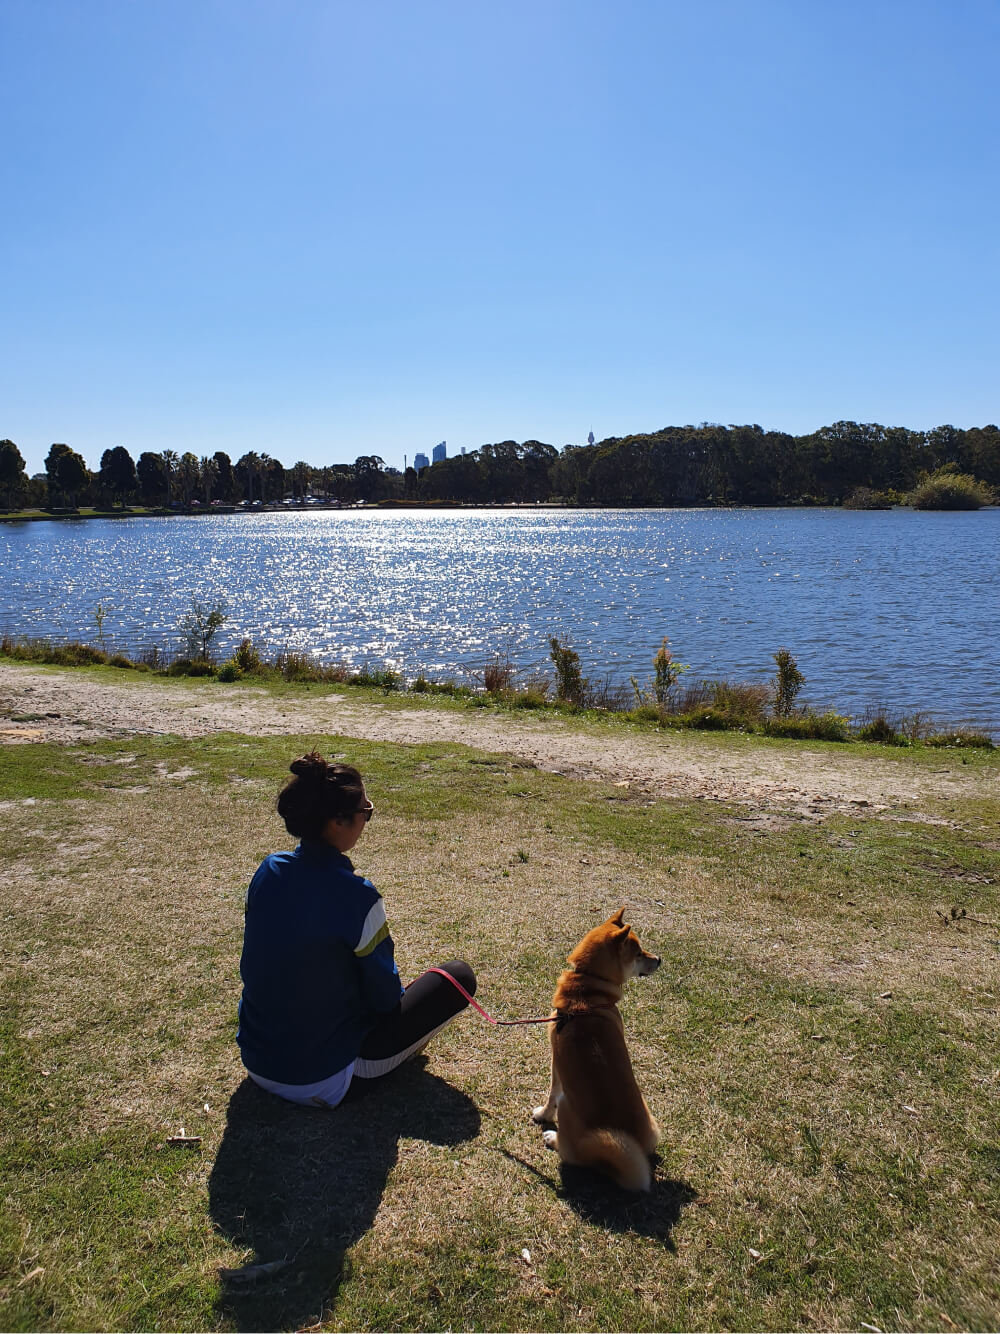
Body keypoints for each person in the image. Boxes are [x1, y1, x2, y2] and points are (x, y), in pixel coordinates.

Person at [237, 752, 477, 1108]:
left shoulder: (268, 870)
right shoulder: (358, 897)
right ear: (337, 822)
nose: (367, 820)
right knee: (457, 977)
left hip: (258, 1062)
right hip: (326, 1079)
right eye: (366, 812)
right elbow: (384, 1000)